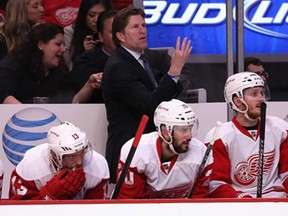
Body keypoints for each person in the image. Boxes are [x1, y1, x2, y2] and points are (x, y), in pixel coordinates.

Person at [102, 6, 192, 183]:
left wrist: (173, 77)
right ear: (120, 36)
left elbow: (164, 92)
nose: (142, 30)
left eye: (143, 25)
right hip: (130, 151)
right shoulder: (119, 66)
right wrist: (174, 70)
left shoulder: (144, 59)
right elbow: (150, 105)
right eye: (135, 27)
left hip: (148, 151)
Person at [206, 72, 288, 198]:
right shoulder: (219, 136)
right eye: (254, 94)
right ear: (237, 101)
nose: (261, 98)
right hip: (239, 204)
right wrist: (245, 202)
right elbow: (216, 184)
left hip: (277, 201)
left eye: (262, 93)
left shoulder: (280, 129)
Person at [117, 99, 212, 199]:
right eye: (183, 130)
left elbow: (199, 203)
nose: (190, 136)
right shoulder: (138, 152)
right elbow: (132, 204)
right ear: (165, 132)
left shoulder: (201, 153)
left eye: (190, 128)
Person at [9, 121, 110, 200]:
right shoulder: (31, 166)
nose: (79, 161)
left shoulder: (98, 166)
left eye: (83, 152)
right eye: (72, 156)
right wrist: (48, 197)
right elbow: (18, 209)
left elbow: (96, 210)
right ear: (54, 154)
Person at [0, 23, 74, 104]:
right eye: (58, 44)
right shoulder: (12, 66)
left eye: (64, 45)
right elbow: (4, 96)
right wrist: (29, 114)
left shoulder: (61, 73)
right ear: (41, 45)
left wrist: (88, 86)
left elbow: (71, 100)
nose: (63, 49)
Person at [72, 9, 117, 103]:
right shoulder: (86, 61)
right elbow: (79, 101)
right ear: (101, 36)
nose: (120, 36)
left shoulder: (146, 57)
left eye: (123, 31)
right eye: (113, 32)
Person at [64, 0, 112, 71]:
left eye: (101, 15)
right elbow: (70, 68)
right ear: (83, 15)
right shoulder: (70, 32)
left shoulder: (115, 32)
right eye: (92, 15)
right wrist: (85, 54)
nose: (96, 20)